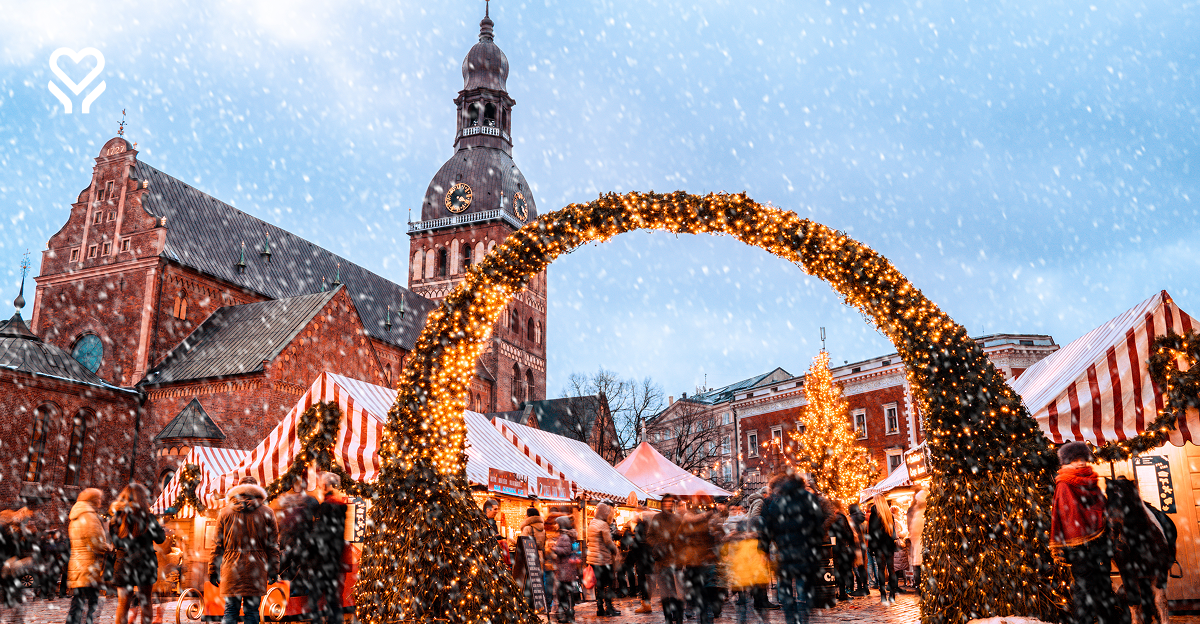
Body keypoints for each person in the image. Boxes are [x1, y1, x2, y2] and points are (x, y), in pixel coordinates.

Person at [1050, 441, 1129, 624]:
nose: (1080, 463)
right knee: (1084, 590)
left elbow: (1101, 505)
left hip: (1100, 544)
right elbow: (1069, 514)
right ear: (1067, 462)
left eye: (1083, 459)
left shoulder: (1093, 480)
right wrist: (1096, 518)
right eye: (1075, 460)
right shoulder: (1064, 484)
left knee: (1103, 586)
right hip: (1080, 547)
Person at [209, 480, 279, 624]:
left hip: (231, 568)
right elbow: (273, 546)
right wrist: (273, 570)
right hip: (256, 569)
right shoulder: (267, 512)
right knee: (252, 612)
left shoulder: (225, 513)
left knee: (230, 610)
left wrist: (212, 570)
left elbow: (217, 545)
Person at [760, 473, 824, 624]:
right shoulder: (809, 499)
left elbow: (767, 527)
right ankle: (803, 618)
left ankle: (791, 620)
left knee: (787, 592)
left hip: (785, 554)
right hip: (806, 554)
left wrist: (764, 550)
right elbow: (819, 525)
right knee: (804, 592)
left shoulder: (776, 502)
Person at [110, 484, 167, 624]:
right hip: (145, 563)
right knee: (145, 602)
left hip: (124, 564)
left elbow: (116, 543)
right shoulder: (149, 518)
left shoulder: (116, 519)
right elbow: (160, 539)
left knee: (123, 604)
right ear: (142, 499)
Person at [65, 488, 112, 624]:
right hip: (88, 566)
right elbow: (96, 543)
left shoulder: (77, 515)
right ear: (93, 499)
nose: (100, 502)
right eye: (98, 499)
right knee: (90, 603)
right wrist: (109, 547)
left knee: (79, 601)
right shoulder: (89, 516)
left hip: (79, 563)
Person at [313, 473, 348, 624]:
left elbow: (321, 535)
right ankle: (334, 620)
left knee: (316, 596)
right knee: (333, 597)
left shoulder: (326, 506)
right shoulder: (340, 506)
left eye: (321, 485)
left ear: (326, 486)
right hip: (336, 557)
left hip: (325, 558)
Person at [276, 475, 318, 596]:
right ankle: (297, 590)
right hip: (299, 541)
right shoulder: (309, 501)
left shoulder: (283, 500)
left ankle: (288, 590)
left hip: (286, 540)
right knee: (299, 567)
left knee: (287, 567)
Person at [646, 496, 683, 624]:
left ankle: (677, 617)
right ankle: (668, 618)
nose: (668, 504)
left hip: (674, 560)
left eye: (670, 502)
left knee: (675, 592)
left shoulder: (677, 519)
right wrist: (657, 545)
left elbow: (682, 538)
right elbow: (649, 536)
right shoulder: (657, 518)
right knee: (664, 592)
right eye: (665, 501)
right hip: (661, 560)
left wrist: (674, 546)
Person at [586, 501, 620, 617]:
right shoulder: (603, 524)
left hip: (593, 560)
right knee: (608, 584)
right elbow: (608, 542)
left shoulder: (592, 523)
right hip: (604, 560)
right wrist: (615, 550)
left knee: (599, 585)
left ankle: (600, 608)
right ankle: (609, 607)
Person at [867, 494, 898, 604]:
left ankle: (883, 594)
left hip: (879, 546)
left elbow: (871, 532)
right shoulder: (889, 514)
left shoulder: (875, 514)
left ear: (876, 501)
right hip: (889, 545)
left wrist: (871, 547)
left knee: (881, 569)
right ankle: (893, 594)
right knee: (891, 569)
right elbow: (893, 533)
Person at [519, 507, 549, 610]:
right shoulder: (543, 529)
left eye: (526, 514)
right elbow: (545, 545)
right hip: (540, 556)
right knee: (537, 581)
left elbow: (523, 543)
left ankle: (529, 604)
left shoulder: (527, 528)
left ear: (529, 516)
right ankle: (539, 604)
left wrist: (511, 541)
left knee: (528, 580)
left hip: (530, 555)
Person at [551, 516, 580, 623]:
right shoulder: (566, 536)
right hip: (567, 569)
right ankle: (568, 614)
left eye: (556, 523)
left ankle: (566, 615)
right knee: (567, 593)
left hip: (565, 570)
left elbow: (566, 551)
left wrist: (554, 548)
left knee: (563, 594)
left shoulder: (564, 537)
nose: (555, 525)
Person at [827, 500, 856, 602]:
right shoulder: (840, 518)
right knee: (843, 571)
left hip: (834, 547)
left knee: (836, 571)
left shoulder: (831, 519)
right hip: (842, 547)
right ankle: (843, 593)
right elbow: (846, 533)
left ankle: (838, 592)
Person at [907, 489, 927, 596]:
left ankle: (919, 588)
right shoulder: (921, 511)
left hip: (920, 545)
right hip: (921, 544)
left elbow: (914, 530)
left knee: (918, 567)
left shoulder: (919, 513)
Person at [847, 504, 869, 597]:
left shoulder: (851, 518)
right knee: (862, 567)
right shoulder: (862, 518)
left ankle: (861, 588)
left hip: (855, 545)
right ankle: (865, 587)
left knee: (857, 567)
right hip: (862, 544)